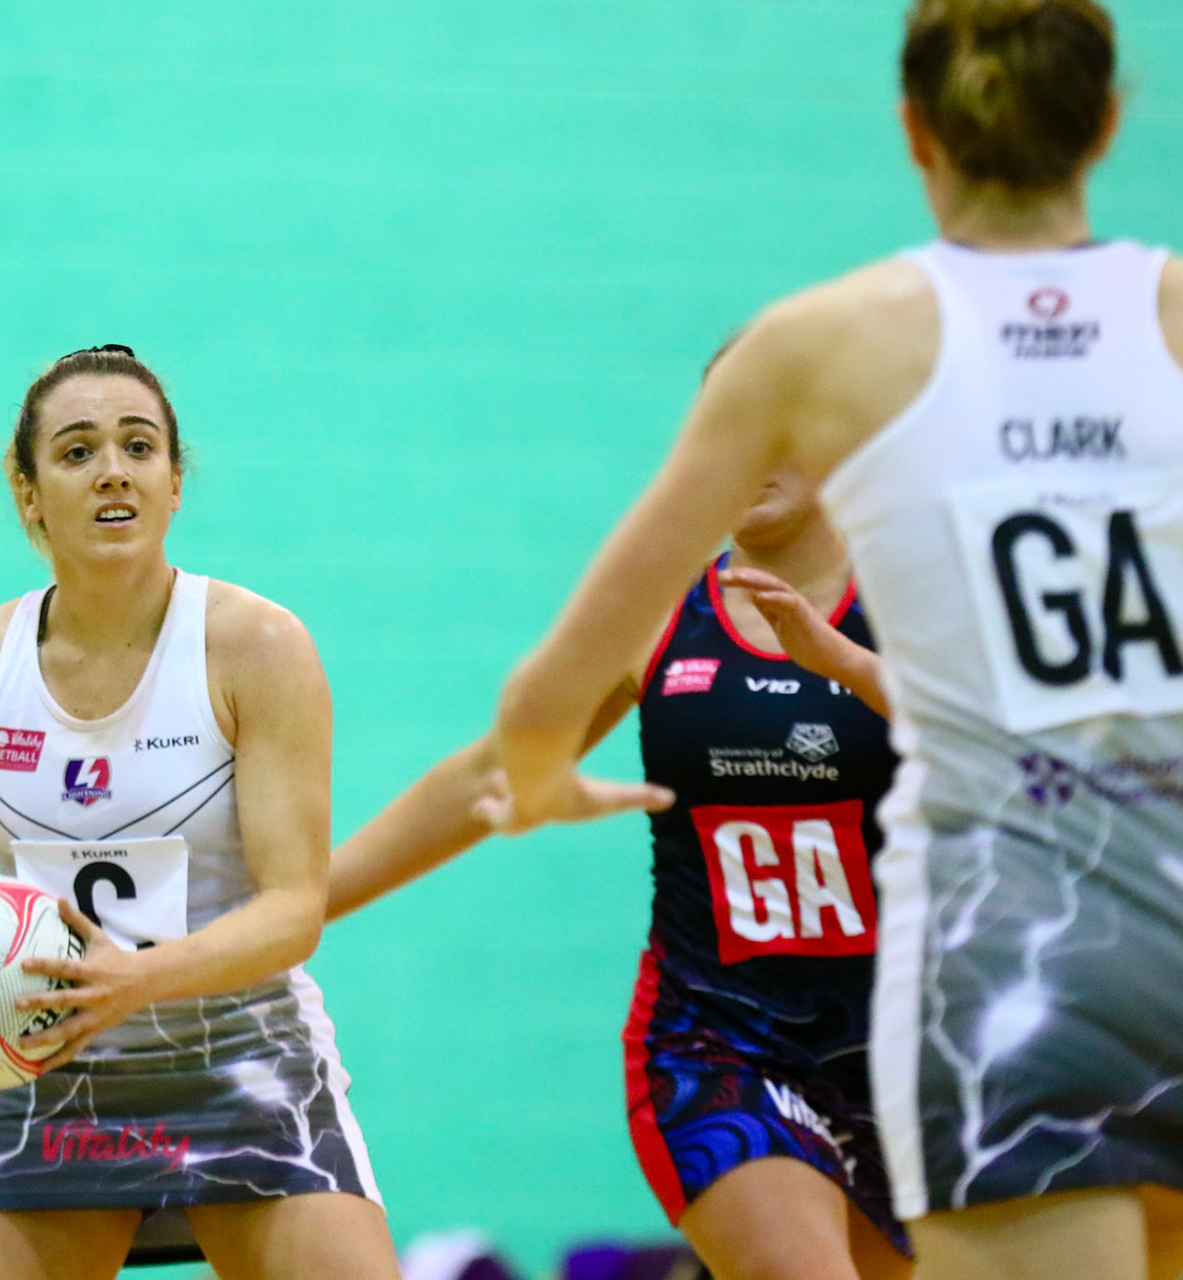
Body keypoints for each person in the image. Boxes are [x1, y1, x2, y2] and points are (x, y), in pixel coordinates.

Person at [477, 2, 1183, 1278]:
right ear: (1114, 120)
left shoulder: (860, 382)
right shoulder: (1156, 321)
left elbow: (536, 704)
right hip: (1060, 939)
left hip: (978, 977)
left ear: (914, 132)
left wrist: (533, 766)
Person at [0, 346, 397, 1279]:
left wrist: (135, 980)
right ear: (27, 491)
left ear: (174, 483)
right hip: (51, 1071)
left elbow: (292, 912)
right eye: (77, 452)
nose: (113, 469)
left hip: (241, 1056)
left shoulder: (258, 646)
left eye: (139, 447)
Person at [329, 463, 911, 1280]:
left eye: (785, 423)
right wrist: (294, 913)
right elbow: (489, 776)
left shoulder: (921, 604)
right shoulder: (660, 614)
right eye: (741, 424)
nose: (756, 449)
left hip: (913, 1046)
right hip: (718, 1041)